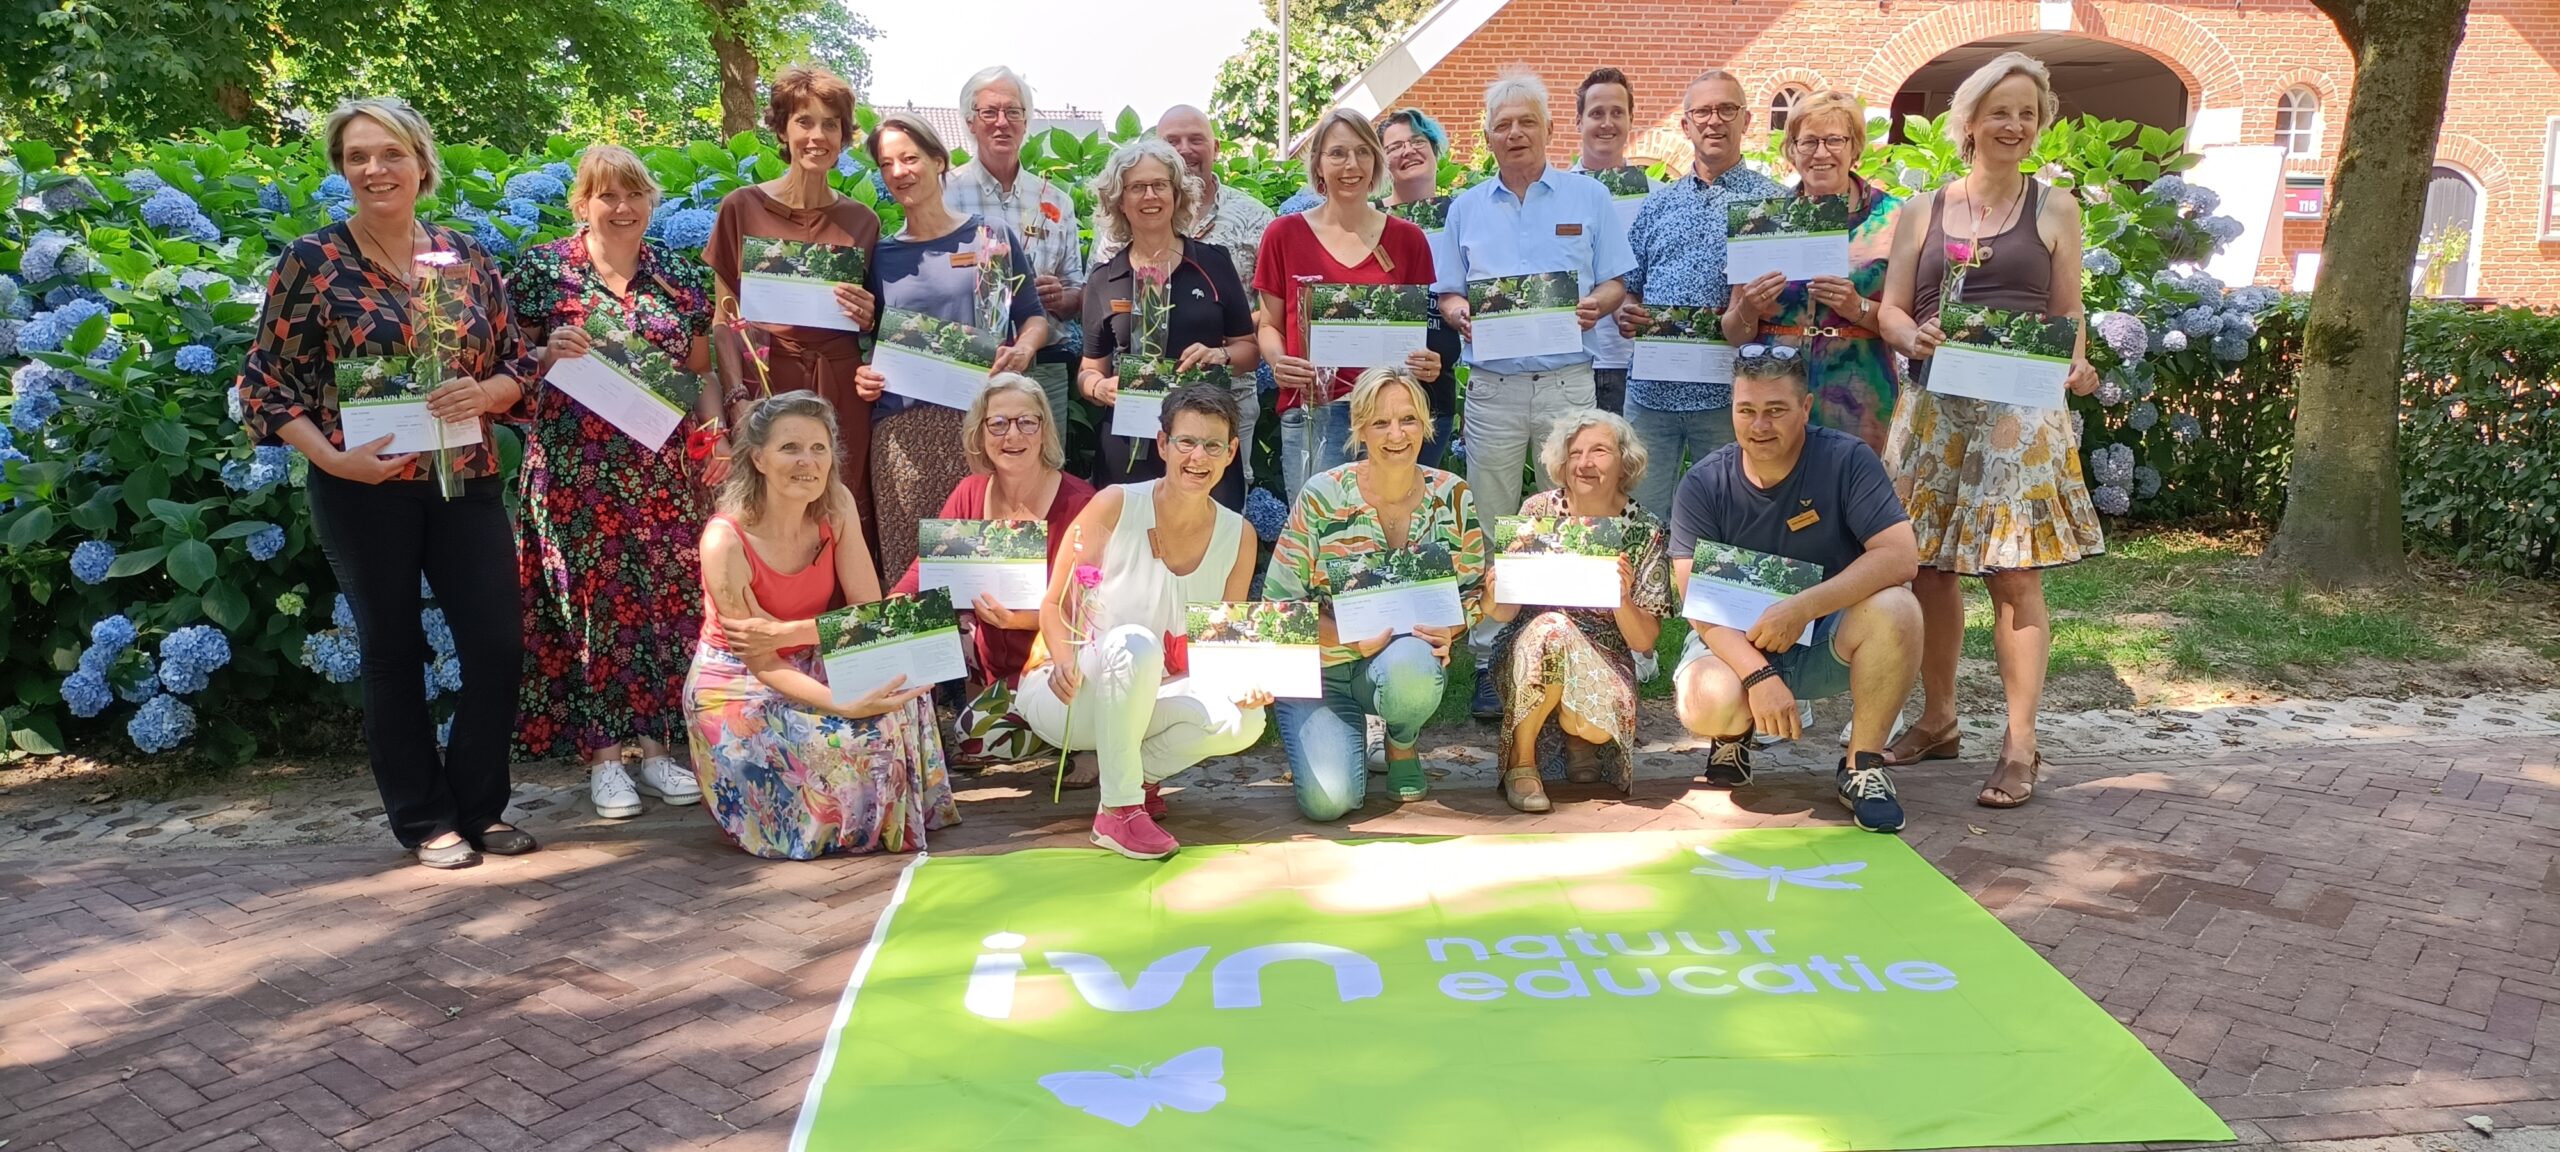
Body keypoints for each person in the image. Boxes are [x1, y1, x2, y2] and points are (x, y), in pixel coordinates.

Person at [237, 97, 537, 869]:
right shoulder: (313, 259)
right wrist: (331, 458)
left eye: (390, 153)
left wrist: (490, 394)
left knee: (497, 645)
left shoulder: (464, 256)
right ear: (343, 168)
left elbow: (515, 362)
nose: (375, 169)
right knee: (393, 650)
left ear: (421, 161)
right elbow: (265, 383)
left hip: (463, 475)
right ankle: (424, 816)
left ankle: (479, 806)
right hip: (362, 483)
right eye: (358, 156)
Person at [1874, 52, 2105, 808]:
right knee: (1929, 569)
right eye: (2000, 111)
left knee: (2014, 573)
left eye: (2028, 113)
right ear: (1968, 120)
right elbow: (1892, 308)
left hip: (2018, 415)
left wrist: (2077, 366)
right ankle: (1938, 721)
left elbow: (2068, 314)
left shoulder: (2057, 207)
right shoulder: (1922, 209)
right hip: (1937, 409)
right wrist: (1912, 339)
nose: (2014, 125)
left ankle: (2020, 743)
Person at [507, 145, 714, 816]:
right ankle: (603, 757)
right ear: (582, 203)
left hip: (662, 472)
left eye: (634, 195)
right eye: (606, 196)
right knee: (589, 610)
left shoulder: (680, 277)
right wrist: (544, 354)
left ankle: (656, 751)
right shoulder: (543, 271)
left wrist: (715, 436)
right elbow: (503, 365)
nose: (622, 208)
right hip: (574, 470)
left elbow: (705, 369)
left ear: (651, 202)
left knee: (659, 606)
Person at [1432, 69, 1633, 721]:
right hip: (1491, 386)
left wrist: (1593, 305)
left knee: (1575, 514)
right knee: (1493, 518)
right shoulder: (1464, 208)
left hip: (1568, 383)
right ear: (1487, 135)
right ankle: (1494, 655)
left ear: (1549, 129)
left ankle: (1580, 643)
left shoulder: (1588, 197)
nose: (1514, 132)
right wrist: (1461, 313)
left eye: (1527, 121)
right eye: (1502, 123)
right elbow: (1449, 292)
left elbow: (1615, 284)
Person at [686, 391, 958, 859]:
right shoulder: (724, 540)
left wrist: (793, 633)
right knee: (835, 737)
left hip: (809, 649)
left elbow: (869, 613)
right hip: (739, 680)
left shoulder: (837, 505)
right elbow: (762, 659)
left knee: (900, 698)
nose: (806, 462)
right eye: (790, 448)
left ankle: (883, 822)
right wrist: (843, 704)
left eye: (819, 448)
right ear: (759, 458)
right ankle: (814, 827)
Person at [1669, 347, 1922, 833]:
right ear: (1733, 410)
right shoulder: (1703, 482)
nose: (1759, 425)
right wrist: (1758, 677)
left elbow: (1899, 556)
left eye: (1776, 410)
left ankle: (1862, 767)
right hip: (1733, 642)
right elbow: (1697, 602)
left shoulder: (1847, 459)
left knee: (1900, 608)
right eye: (1747, 411)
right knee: (1706, 700)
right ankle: (1732, 733)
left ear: (1806, 408)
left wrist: (1802, 607)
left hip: (1825, 632)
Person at [1014, 385, 1269, 859]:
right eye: (1186, 442)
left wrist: (1248, 683)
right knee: (1135, 642)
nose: (1199, 456)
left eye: (1213, 444)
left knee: (1246, 720)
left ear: (1232, 451)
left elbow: (1227, 644)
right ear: (1162, 444)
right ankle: (1119, 811)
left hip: (1155, 696)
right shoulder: (1115, 504)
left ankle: (1137, 778)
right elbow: (1054, 604)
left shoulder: (1240, 536)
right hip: (1071, 694)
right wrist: (1066, 661)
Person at [1265, 369, 1485, 820]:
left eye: (1407, 419)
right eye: (1380, 422)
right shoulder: (1322, 496)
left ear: (1426, 425)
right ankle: (1350, 738)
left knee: (1412, 669)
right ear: (1359, 428)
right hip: (1320, 671)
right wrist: (1348, 641)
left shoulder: (1453, 494)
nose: (1396, 434)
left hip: (1399, 662)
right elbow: (1278, 608)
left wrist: (1453, 627)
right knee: (1329, 803)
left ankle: (1401, 743)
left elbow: (1473, 590)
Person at [854, 113, 1046, 582]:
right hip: (905, 437)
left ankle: (991, 657)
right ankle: (917, 659)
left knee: (988, 568)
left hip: (986, 429)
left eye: (909, 158)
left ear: (939, 161)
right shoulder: (878, 255)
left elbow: (1034, 318)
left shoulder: (991, 237)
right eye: (887, 163)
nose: (899, 171)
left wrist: (1021, 351)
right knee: (912, 573)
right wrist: (864, 374)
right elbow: (868, 341)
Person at [703, 65, 882, 551]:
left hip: (842, 384)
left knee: (841, 511)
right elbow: (724, 319)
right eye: (805, 121)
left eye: (831, 124)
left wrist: (869, 318)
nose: (817, 136)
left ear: (844, 136)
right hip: (767, 381)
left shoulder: (862, 221)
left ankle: (838, 620)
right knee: (767, 510)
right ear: (783, 129)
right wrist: (738, 397)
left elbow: (875, 322)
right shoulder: (741, 208)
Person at [887, 375, 1095, 767]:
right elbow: (930, 568)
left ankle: (1086, 734)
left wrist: (1019, 621)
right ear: (980, 433)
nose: (1011, 435)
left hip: (1055, 658)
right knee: (903, 631)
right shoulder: (970, 490)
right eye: (998, 424)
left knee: (975, 738)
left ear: (1044, 429)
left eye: (1026, 422)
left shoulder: (1081, 503)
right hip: (987, 658)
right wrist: (897, 606)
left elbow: (1095, 611)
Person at [1617, 69, 1791, 523]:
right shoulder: (1657, 204)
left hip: (1733, 396)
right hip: (1652, 393)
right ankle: (1650, 597)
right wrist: (1627, 313)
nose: (1714, 121)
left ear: (1746, 120)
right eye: (1702, 112)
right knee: (1642, 515)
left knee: (1738, 516)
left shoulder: (1772, 205)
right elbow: (1630, 287)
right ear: (1686, 125)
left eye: (1726, 110)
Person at [1481, 411, 1674, 812]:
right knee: (1553, 628)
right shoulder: (1537, 512)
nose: (1585, 463)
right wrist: (1496, 587)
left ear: (1623, 460)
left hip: (1604, 654)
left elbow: (1644, 640)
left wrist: (1620, 596)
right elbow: (1501, 613)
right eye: (1575, 453)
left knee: (1590, 724)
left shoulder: (1644, 529)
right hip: (1529, 648)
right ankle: (1523, 763)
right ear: (1562, 463)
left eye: (1599, 451)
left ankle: (1578, 734)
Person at [1253, 108, 1444, 500]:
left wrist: (1429, 361)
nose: (1351, 165)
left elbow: (1418, 332)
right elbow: (1269, 324)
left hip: (1390, 417)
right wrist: (1277, 361)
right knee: (1319, 540)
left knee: (1390, 533)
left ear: (1375, 160)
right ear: (1318, 164)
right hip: (1314, 413)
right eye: (1337, 153)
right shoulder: (1283, 235)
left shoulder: (1409, 239)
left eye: (1362, 152)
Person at [1721, 91, 1907, 453]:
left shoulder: (1895, 218)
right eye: (1807, 142)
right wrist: (1750, 308)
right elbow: (1733, 332)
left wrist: (1858, 308)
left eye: (1834, 140)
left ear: (1855, 148)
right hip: (1774, 397)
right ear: (1791, 151)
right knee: (1777, 502)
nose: (1821, 153)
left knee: (1854, 499)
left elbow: (1911, 324)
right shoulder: (1761, 220)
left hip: (1861, 396)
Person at [1097, 106, 1275, 482]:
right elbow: (1094, 357)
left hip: (1218, 414)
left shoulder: (1242, 231)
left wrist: (1222, 353)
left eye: (1196, 139)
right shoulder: (1108, 262)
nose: (1150, 196)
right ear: (1121, 199)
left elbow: (1266, 319)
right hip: (1135, 421)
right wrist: (1099, 386)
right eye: (1137, 188)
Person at [944, 66, 1086, 424]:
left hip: (1043, 370)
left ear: (1026, 121)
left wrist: (1060, 297)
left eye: (1013, 112)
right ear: (970, 122)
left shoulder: (1057, 201)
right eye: (989, 112)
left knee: (1042, 473)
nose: (1002, 122)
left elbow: (1078, 291)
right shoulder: (944, 193)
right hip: (967, 367)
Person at [1374, 107, 1467, 468]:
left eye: (1417, 141)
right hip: (1375, 393)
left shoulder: (1464, 213)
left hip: (1434, 393)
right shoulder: (1367, 218)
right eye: (1394, 146)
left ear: (1434, 148)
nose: (1408, 150)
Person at [1572, 67, 1646, 416]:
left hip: (1635, 363)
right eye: (1596, 113)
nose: (1607, 123)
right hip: (1571, 361)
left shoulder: (1656, 197)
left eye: (1617, 113)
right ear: (1579, 122)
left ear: (1631, 120)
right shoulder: (1553, 196)